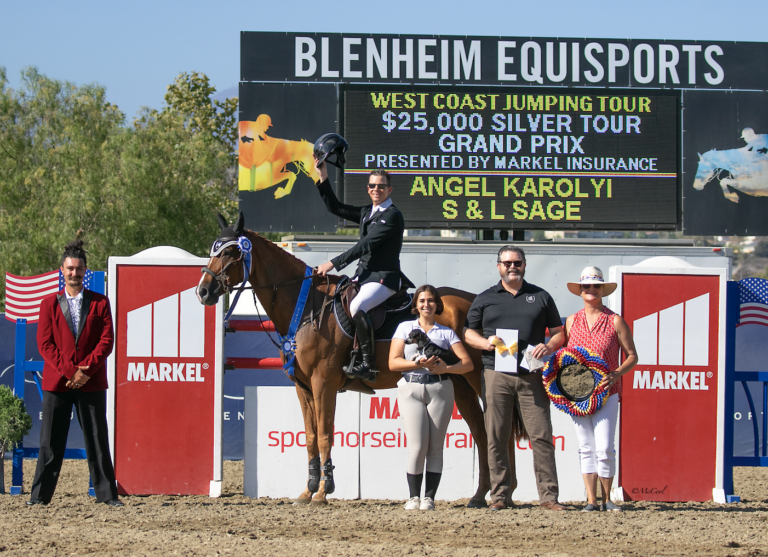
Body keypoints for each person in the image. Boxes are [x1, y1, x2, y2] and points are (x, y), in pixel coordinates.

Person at [464, 246, 566, 511]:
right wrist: (485, 343)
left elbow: (558, 332)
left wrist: (551, 346)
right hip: (496, 373)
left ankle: (549, 497)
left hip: (532, 374)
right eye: (507, 262)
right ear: (498, 265)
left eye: (517, 262)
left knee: (542, 436)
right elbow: (467, 334)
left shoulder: (541, 296)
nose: (512, 267)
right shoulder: (485, 298)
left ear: (524, 265)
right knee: (496, 435)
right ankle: (500, 495)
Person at [28, 240, 122, 507]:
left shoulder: (101, 303)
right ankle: (39, 497)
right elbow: (45, 345)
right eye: (70, 269)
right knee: (50, 443)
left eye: (79, 269)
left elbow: (107, 341)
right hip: (58, 382)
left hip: (91, 382)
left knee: (97, 440)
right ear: (62, 270)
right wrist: (72, 371)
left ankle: (107, 496)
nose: (74, 273)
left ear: (86, 271)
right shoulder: (48, 304)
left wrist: (86, 371)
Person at [314, 155, 414, 381]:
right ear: (368, 188)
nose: (376, 189)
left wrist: (333, 263)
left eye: (381, 186)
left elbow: (365, 245)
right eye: (372, 186)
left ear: (389, 190)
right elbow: (334, 206)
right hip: (364, 277)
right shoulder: (367, 212)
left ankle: (369, 364)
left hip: (383, 279)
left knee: (358, 305)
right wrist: (323, 175)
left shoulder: (392, 215)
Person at [389, 285, 473, 511]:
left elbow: (467, 364)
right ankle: (413, 496)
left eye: (431, 301)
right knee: (417, 446)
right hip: (411, 387)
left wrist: (446, 367)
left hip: (440, 388)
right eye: (422, 301)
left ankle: (429, 498)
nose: (427, 304)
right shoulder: (405, 328)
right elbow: (393, 362)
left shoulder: (446, 332)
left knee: (435, 447)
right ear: (416, 305)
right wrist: (416, 363)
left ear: (437, 304)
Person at [564, 266, 638, 512]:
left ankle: (607, 499)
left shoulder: (615, 320)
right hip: (578, 394)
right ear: (581, 291)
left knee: (604, 447)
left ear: (603, 289)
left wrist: (616, 372)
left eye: (596, 286)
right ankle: (591, 500)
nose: (591, 290)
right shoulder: (572, 321)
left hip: (608, 391)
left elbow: (632, 356)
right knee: (586, 447)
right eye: (586, 286)